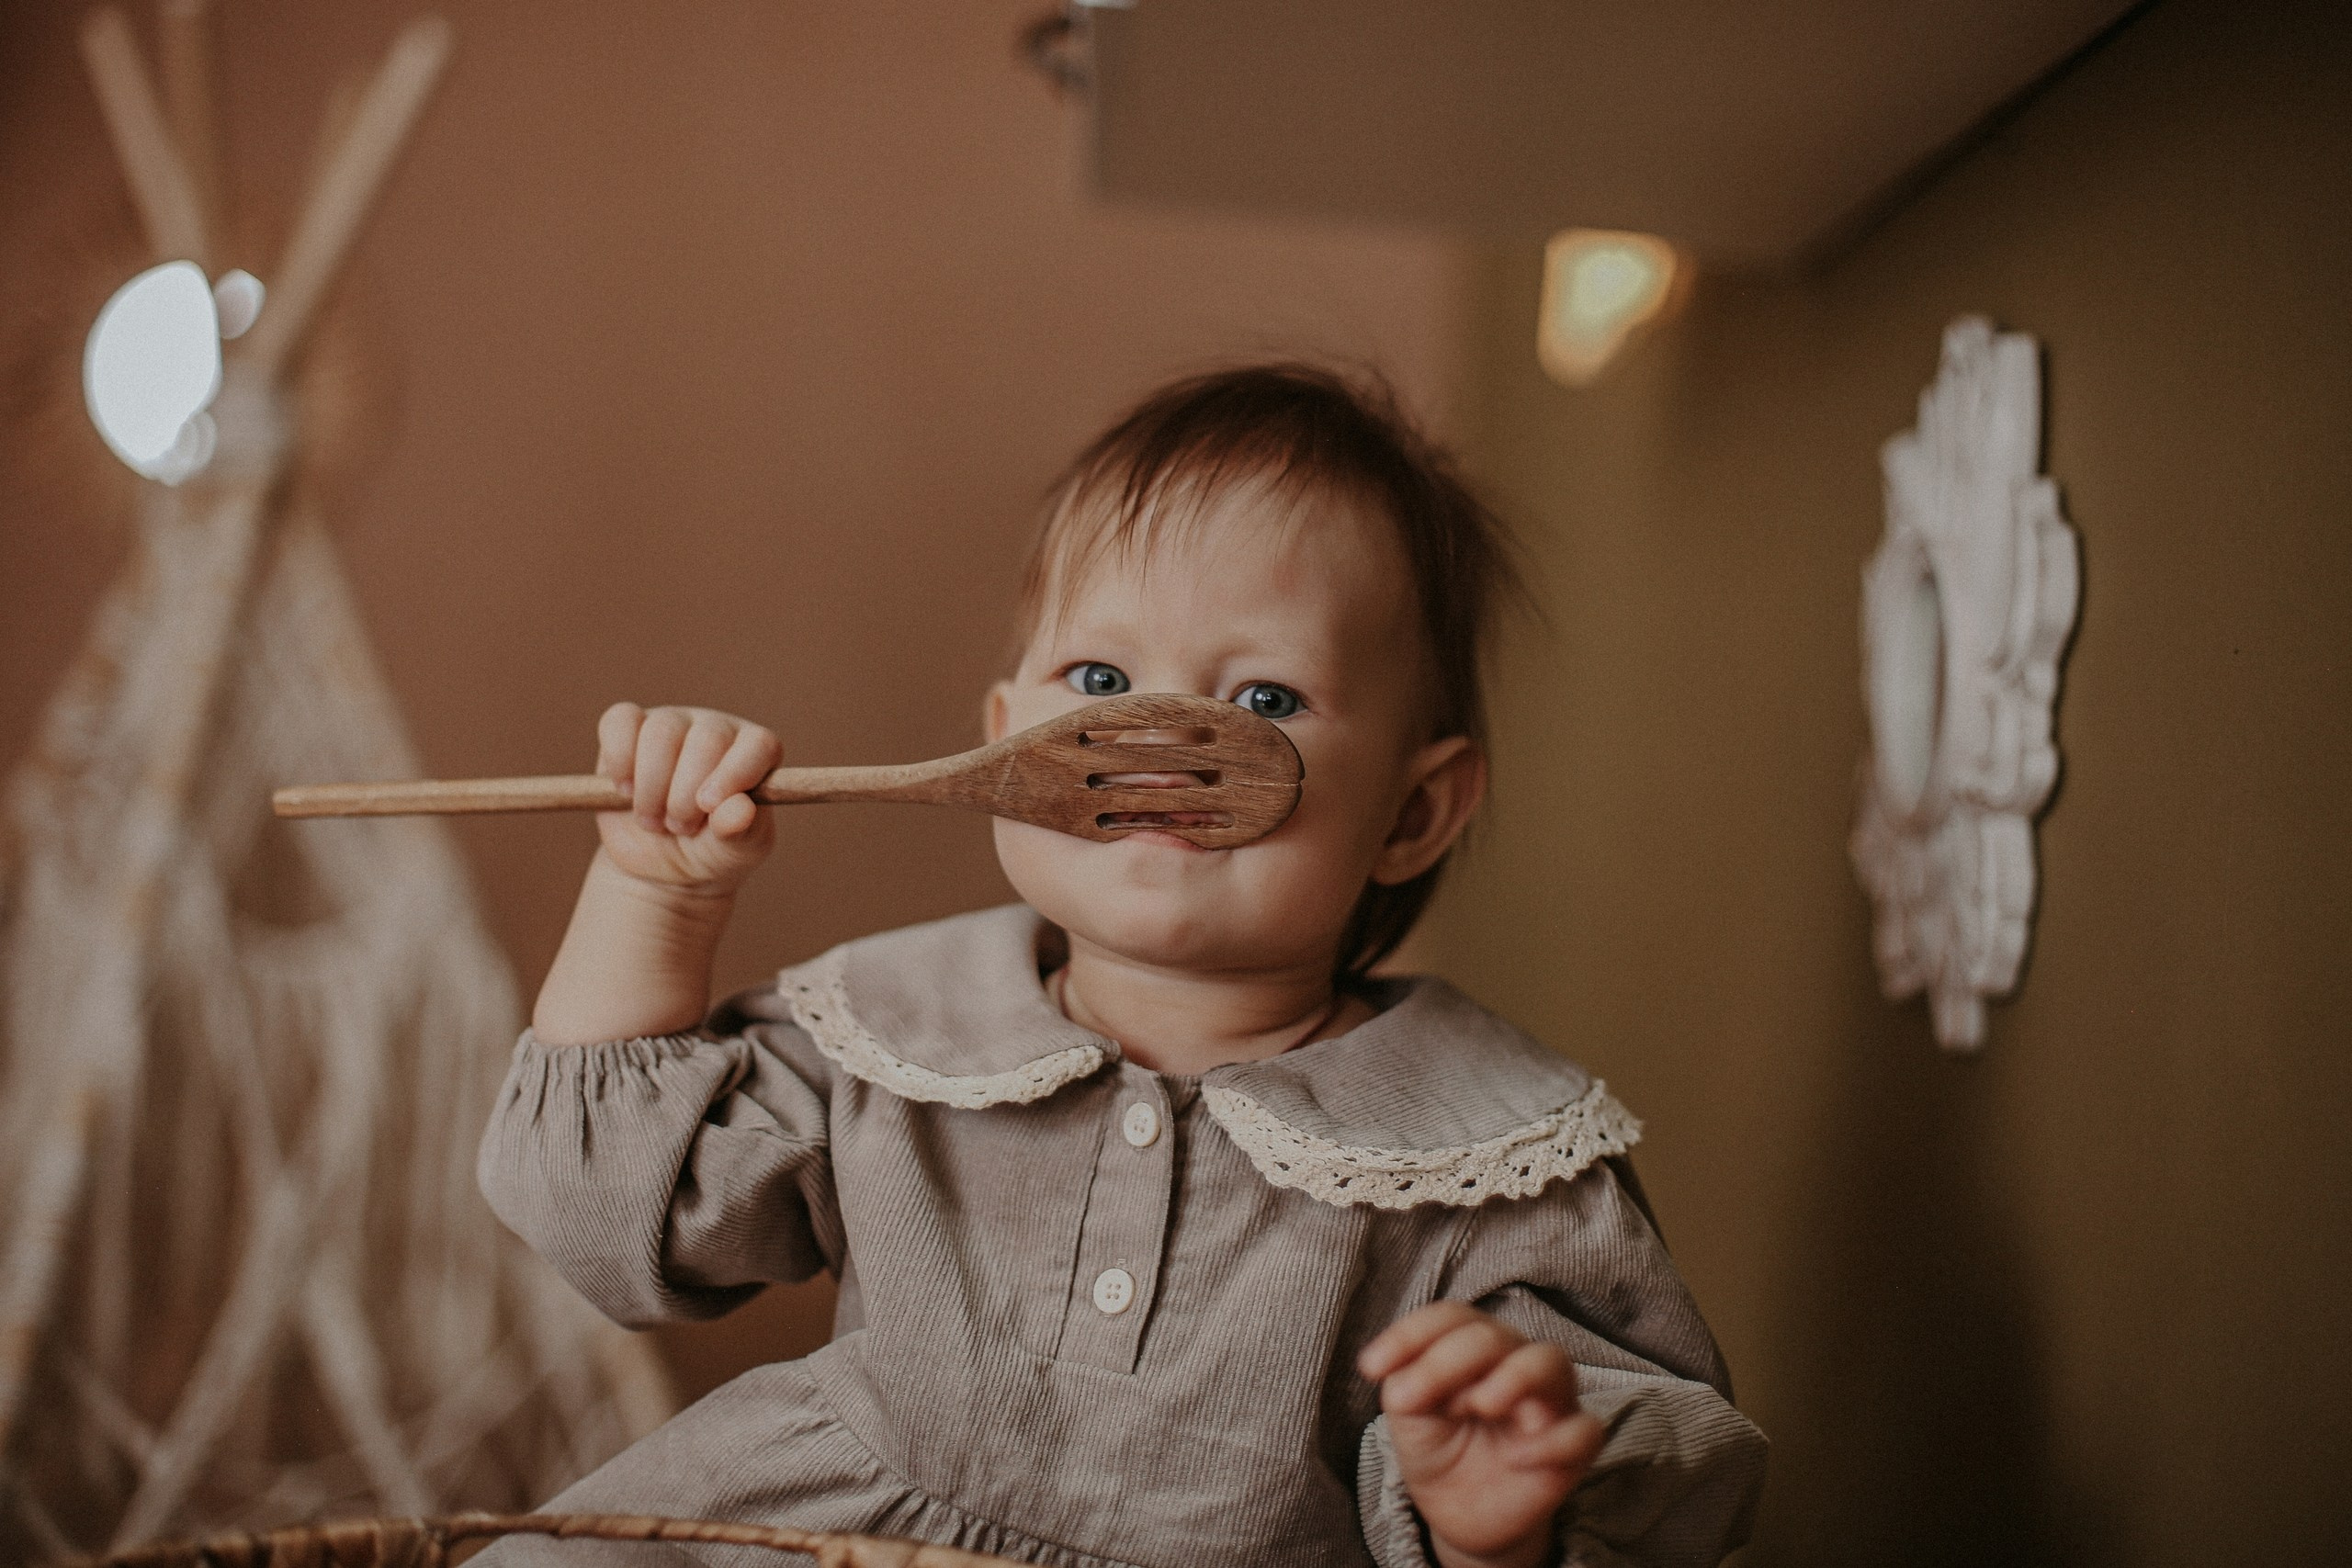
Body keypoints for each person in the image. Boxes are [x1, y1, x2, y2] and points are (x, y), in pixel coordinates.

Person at [478, 366, 1766, 1568]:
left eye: (1263, 699)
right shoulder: (898, 1033)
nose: (1157, 740)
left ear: (1414, 815)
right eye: (1099, 679)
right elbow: (610, 1221)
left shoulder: (1483, 1155)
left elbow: (1647, 1471)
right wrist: (656, 890)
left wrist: (1498, 1522)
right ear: (1004, 739)